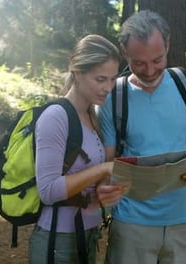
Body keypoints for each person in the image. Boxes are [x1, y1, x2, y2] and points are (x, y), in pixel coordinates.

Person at [96, 11, 186, 264]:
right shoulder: (113, 98)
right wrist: (103, 185)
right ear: (124, 52)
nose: (150, 70)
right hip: (131, 222)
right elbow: (106, 162)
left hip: (184, 219)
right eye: (139, 63)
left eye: (157, 59)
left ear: (168, 45)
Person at [28, 34, 127, 264]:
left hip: (87, 233)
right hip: (58, 239)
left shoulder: (92, 116)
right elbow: (49, 190)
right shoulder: (56, 116)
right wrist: (103, 169)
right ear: (77, 72)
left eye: (112, 79)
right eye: (100, 79)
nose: (108, 88)